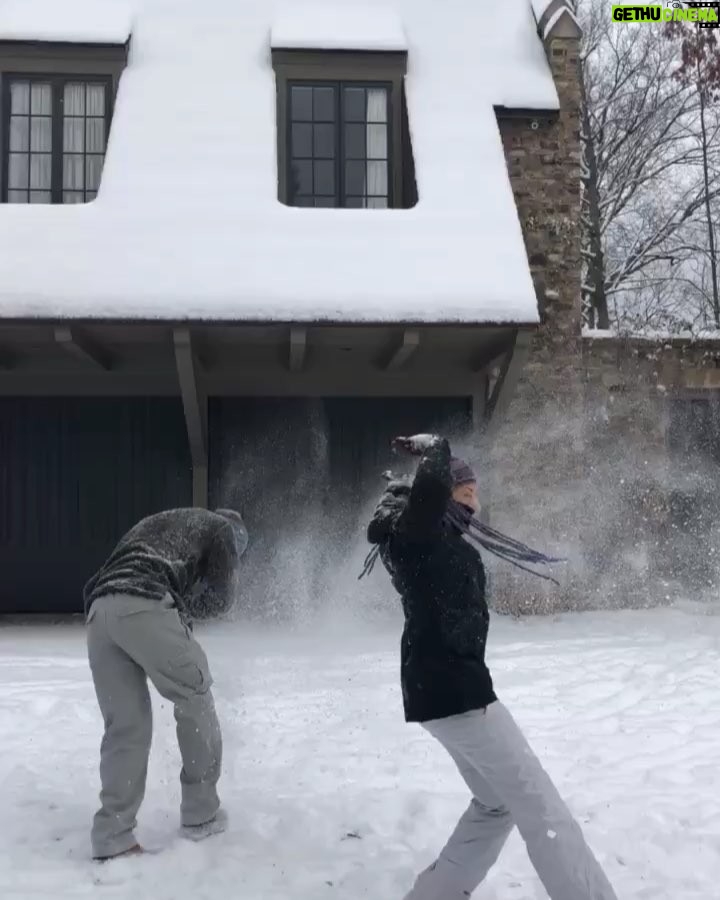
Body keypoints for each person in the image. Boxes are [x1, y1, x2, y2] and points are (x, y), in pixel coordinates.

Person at [366, 434, 618, 900]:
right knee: (541, 807)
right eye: (466, 495)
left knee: (496, 804)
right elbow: (430, 491)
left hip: (442, 692)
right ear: (442, 497)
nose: (476, 507)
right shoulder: (416, 537)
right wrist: (437, 448)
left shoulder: (426, 541)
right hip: (458, 694)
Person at [84, 506, 248, 861]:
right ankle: (201, 812)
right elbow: (221, 600)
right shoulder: (223, 530)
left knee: (125, 726)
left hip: (98, 613)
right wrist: (183, 613)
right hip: (144, 602)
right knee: (194, 694)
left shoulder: (164, 522)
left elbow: (124, 571)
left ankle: (113, 835)